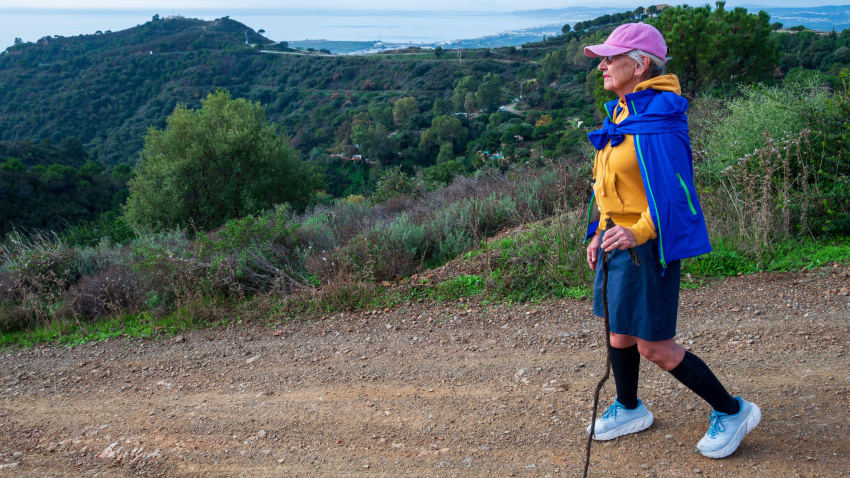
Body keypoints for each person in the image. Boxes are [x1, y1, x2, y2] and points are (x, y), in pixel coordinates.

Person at [582, 22, 760, 459]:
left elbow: (676, 194)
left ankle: (733, 411)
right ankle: (628, 407)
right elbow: (608, 182)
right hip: (615, 240)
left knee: (655, 346)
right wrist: (597, 230)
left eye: (611, 57)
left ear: (640, 64)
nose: (602, 65)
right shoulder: (623, 111)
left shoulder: (660, 116)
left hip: (645, 247)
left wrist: (637, 231)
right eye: (602, 58)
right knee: (618, 332)